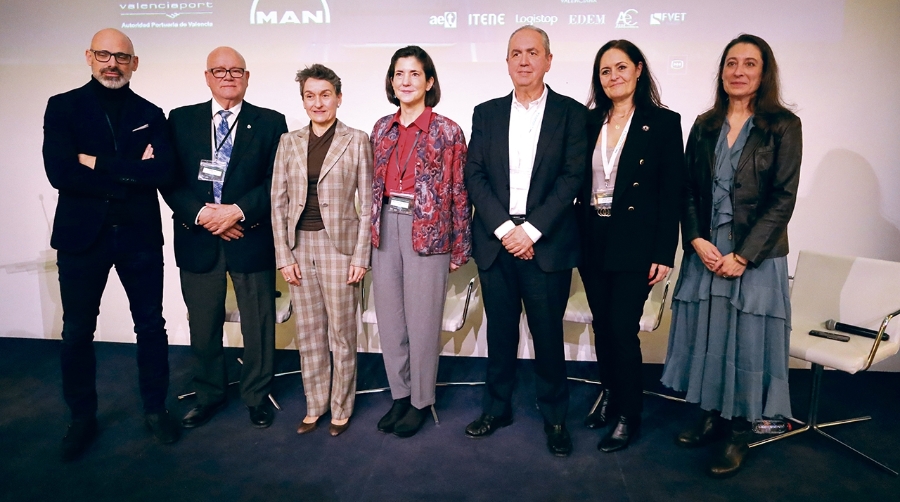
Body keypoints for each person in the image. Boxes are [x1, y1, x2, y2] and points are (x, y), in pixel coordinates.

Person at [661, 34, 802, 478]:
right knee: (710, 336)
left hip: (755, 256)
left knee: (747, 342)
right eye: (731, 63)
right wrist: (697, 239)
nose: (738, 71)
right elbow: (686, 190)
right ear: (721, 71)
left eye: (749, 64)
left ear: (764, 73)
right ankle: (713, 414)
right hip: (707, 252)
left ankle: (742, 429)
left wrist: (743, 255)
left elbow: (783, 199)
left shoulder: (783, 125)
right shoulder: (704, 124)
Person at [42, 28, 180, 461]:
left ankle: (155, 409)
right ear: (89, 56)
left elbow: (164, 174)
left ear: (134, 63)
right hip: (83, 238)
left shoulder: (151, 112)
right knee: (78, 331)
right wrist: (128, 176)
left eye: (122, 57)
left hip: (139, 237)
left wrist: (98, 163)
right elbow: (61, 173)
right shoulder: (63, 107)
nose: (112, 64)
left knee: (151, 327)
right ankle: (81, 418)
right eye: (104, 54)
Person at [463, 26, 587, 457]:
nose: (523, 60)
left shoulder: (572, 114)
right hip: (497, 241)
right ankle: (496, 409)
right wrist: (504, 230)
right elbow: (473, 175)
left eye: (532, 52)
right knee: (499, 334)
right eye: (515, 53)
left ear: (548, 60)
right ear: (507, 61)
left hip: (545, 243)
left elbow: (573, 177)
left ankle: (555, 417)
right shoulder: (487, 112)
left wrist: (530, 231)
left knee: (547, 335)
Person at [163, 47, 287, 429]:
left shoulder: (270, 122)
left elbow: (276, 180)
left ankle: (255, 395)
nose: (228, 76)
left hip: (249, 237)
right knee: (203, 327)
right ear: (207, 77)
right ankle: (209, 395)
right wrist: (204, 216)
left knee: (259, 325)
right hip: (197, 239)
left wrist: (236, 212)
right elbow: (169, 178)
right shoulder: (180, 120)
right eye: (219, 70)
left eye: (236, 70)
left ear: (247, 77)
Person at [576, 40, 685, 453]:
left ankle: (628, 413)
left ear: (639, 70)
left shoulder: (662, 122)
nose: (613, 76)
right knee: (603, 324)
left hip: (635, 242)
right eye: (605, 71)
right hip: (592, 238)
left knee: (622, 327)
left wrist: (664, 251)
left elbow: (671, 190)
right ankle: (610, 392)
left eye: (621, 67)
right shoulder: (588, 122)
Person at [370, 45, 471, 438]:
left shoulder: (448, 130)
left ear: (429, 82)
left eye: (414, 74)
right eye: (399, 74)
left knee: (423, 322)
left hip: (428, 232)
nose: (406, 81)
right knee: (391, 320)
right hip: (385, 228)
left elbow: (460, 191)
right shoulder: (381, 128)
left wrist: (460, 245)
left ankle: (420, 401)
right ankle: (399, 395)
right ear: (391, 82)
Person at [271, 64, 373, 437]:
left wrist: (361, 257)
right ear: (303, 100)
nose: (318, 102)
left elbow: (369, 205)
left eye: (325, 94)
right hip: (300, 246)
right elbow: (277, 203)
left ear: (338, 98)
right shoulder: (289, 142)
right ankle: (315, 405)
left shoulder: (357, 139)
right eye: (310, 96)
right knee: (310, 332)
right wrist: (283, 255)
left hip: (340, 249)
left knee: (342, 334)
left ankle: (341, 407)